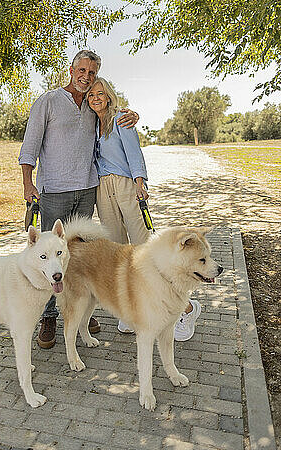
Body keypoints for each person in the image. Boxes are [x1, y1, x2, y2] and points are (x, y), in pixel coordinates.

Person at [18, 50, 139, 349]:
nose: (86, 76)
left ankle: (80, 311)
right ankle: (48, 317)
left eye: (92, 72)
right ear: (71, 70)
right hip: (53, 192)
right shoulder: (47, 101)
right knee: (50, 254)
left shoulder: (93, 105)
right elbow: (29, 145)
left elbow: (115, 116)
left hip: (87, 189)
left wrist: (133, 115)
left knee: (77, 256)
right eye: (82, 70)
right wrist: (27, 183)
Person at [87, 78, 201, 339]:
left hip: (127, 185)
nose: (95, 97)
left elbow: (134, 154)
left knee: (145, 251)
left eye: (100, 93)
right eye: (91, 94)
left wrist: (140, 183)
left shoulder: (121, 120)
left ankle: (186, 309)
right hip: (102, 190)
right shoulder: (93, 123)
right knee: (117, 252)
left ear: (109, 95)